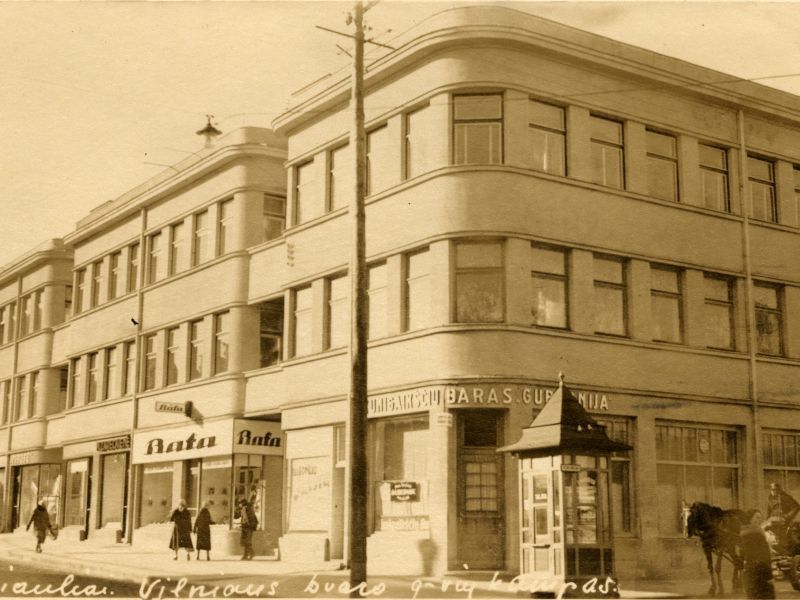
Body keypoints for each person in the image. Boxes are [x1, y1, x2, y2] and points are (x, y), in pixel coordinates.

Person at [741, 509, 775, 599]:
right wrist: (769, 576)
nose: (759, 520)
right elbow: (764, 557)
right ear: (750, 519)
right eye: (757, 517)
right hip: (761, 575)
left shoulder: (743, 533)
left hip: (749, 575)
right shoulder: (757, 534)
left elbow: (742, 555)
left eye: (760, 518)